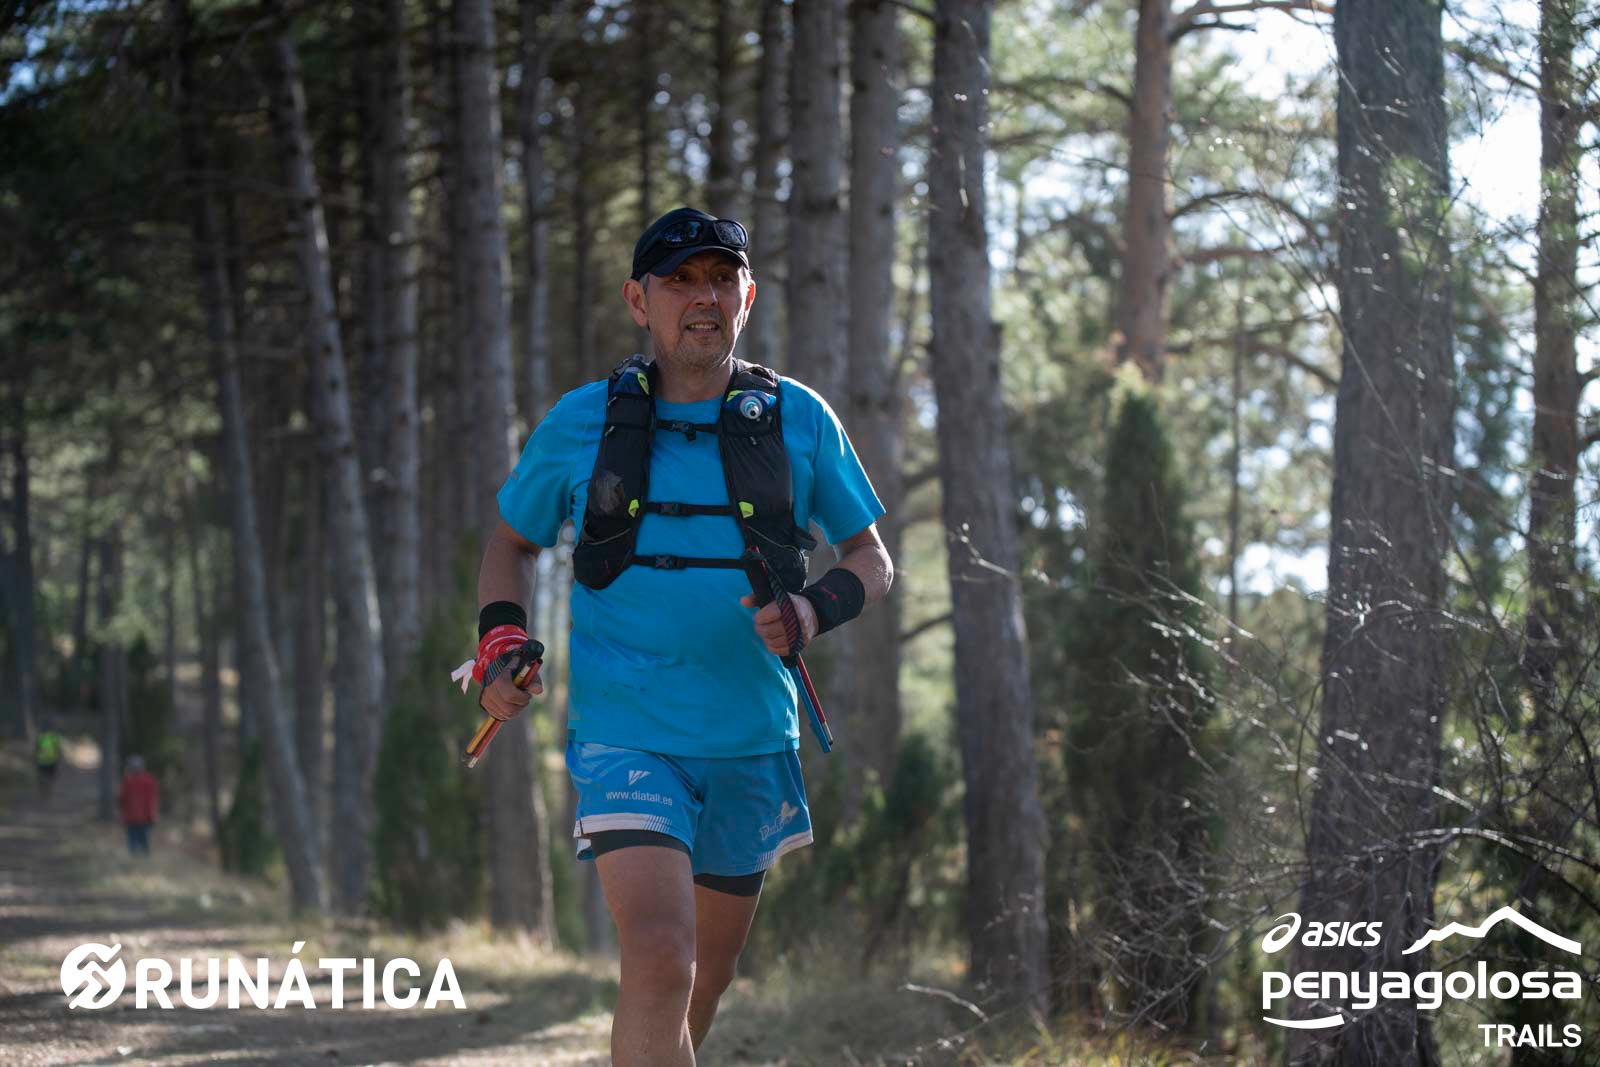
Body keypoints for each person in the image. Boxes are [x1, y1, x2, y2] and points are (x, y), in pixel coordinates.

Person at [473, 207, 892, 1065]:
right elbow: (511, 542)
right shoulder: (583, 421)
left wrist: (812, 609)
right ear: (639, 300)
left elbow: (871, 558)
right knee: (663, 957)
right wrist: (500, 644)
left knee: (705, 978)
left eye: (720, 279)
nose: (703, 297)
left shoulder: (800, 419)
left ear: (748, 296)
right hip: (626, 729)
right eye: (680, 280)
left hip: (751, 737)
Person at [117, 754, 160, 857]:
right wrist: (153, 815)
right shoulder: (146, 780)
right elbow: (122, 799)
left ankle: (138, 859)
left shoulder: (130, 780)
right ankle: (141, 859)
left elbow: (122, 799)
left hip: (136, 817)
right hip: (139, 817)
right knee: (141, 840)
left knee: (136, 841)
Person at [34, 723, 63, 799]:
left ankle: (42, 792)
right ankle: (48, 792)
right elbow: (58, 749)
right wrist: (59, 758)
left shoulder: (40, 737)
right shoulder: (54, 737)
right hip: (52, 761)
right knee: (50, 777)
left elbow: (36, 749)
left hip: (42, 761)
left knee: (42, 777)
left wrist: (35, 758)